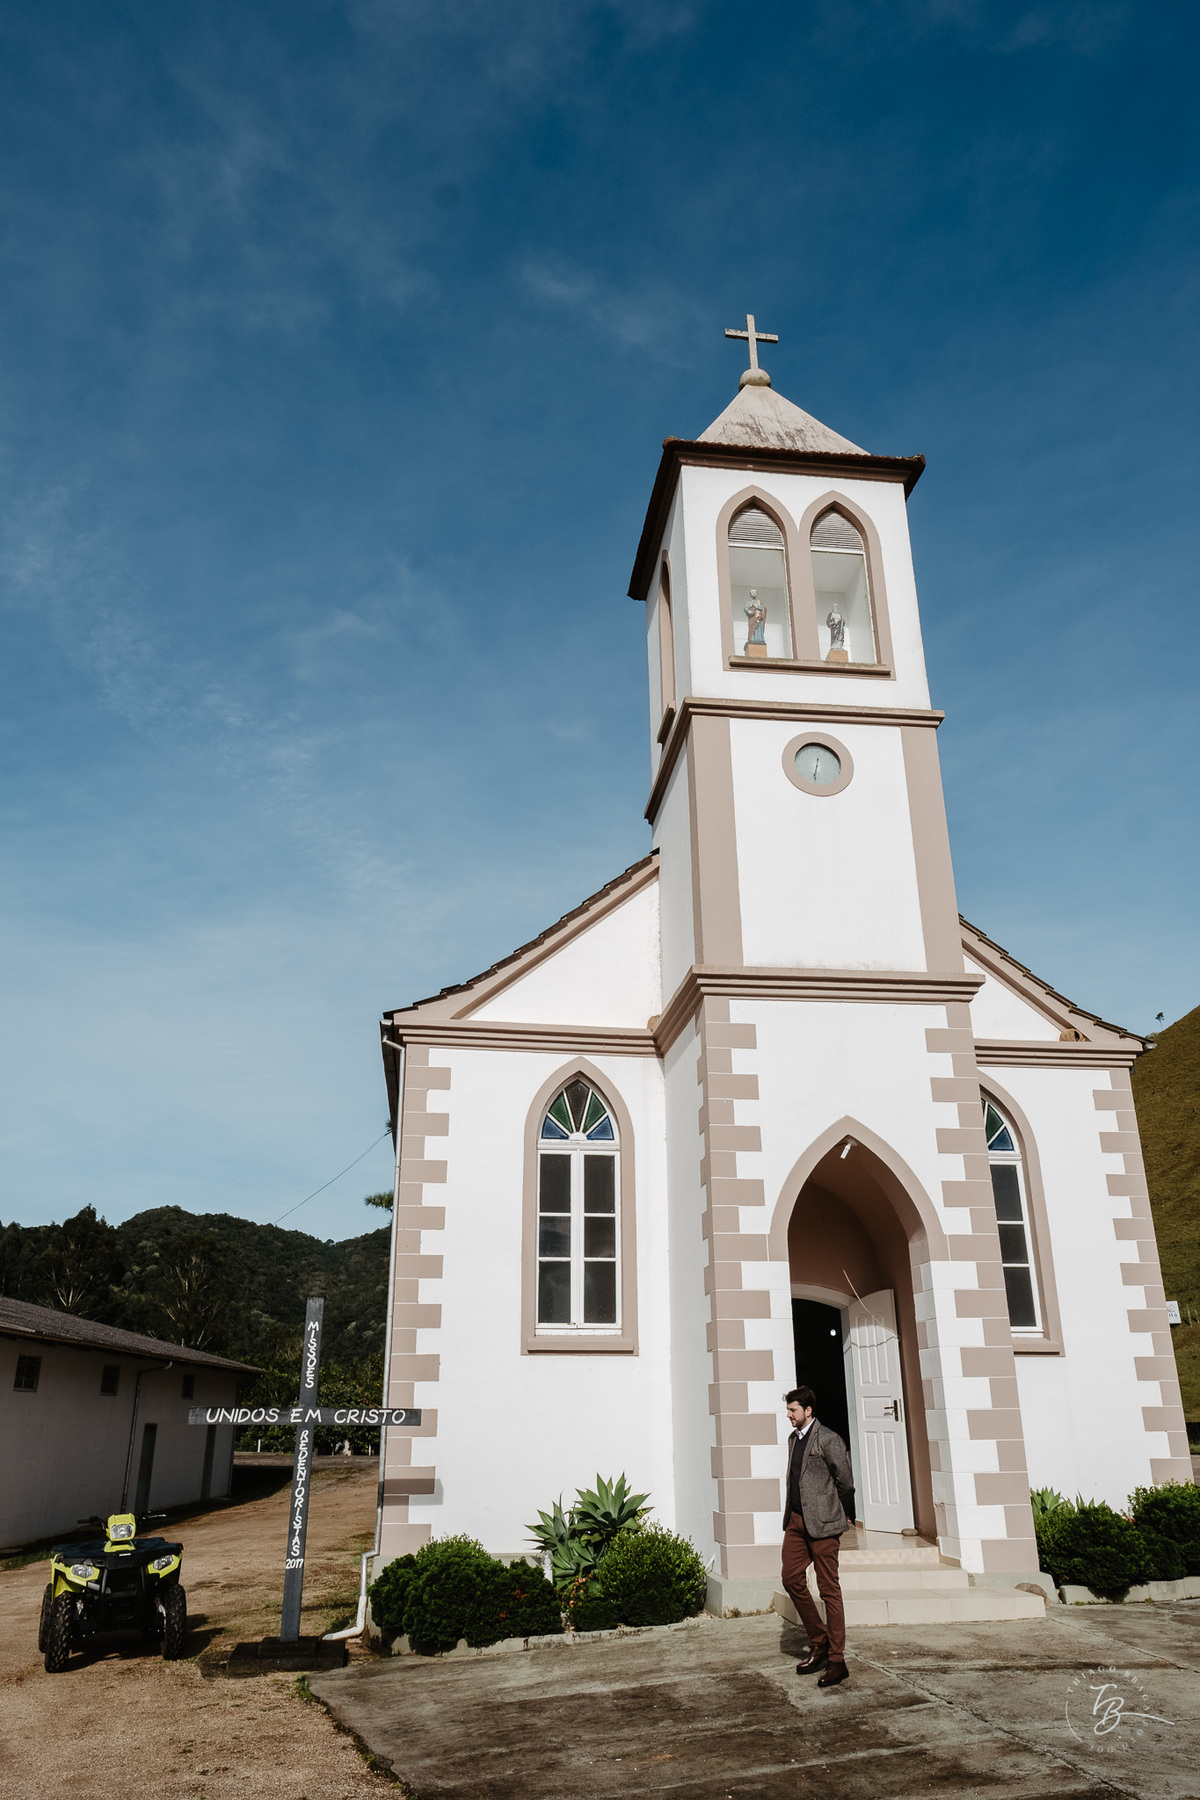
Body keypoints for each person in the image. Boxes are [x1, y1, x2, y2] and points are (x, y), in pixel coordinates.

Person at [781, 1385, 855, 1688]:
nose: (789, 1415)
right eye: (788, 1410)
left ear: (808, 1410)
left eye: (793, 1410)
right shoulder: (793, 1439)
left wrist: (830, 1508)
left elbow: (845, 1483)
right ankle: (819, 1641)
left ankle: (837, 1660)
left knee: (829, 1591)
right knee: (791, 1578)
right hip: (796, 1523)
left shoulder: (828, 1439)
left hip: (823, 1525)